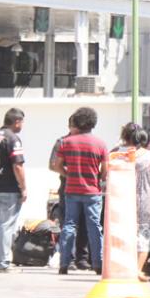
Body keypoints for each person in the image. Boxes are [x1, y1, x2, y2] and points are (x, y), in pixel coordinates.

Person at [54, 107, 108, 275]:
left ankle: (64, 264)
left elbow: (57, 165)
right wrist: (98, 178)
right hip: (92, 192)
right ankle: (98, 264)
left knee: (69, 225)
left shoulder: (66, 143)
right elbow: (105, 170)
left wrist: (68, 174)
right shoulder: (100, 144)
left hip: (71, 190)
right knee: (94, 227)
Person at [117, 122, 150, 281]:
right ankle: (136, 270)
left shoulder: (120, 155)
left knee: (126, 234)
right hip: (146, 199)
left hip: (124, 198)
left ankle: (125, 268)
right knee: (145, 235)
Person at [0, 108, 27, 273]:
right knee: (6, 226)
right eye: (22, 122)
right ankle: (1, 263)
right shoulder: (13, 139)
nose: (22, 126)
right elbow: (17, 165)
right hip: (9, 189)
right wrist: (23, 187)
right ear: (17, 122)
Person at [48, 118, 91, 270]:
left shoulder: (88, 141)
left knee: (85, 223)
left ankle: (82, 258)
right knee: (69, 223)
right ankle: (69, 258)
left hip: (86, 187)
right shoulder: (62, 142)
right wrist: (70, 174)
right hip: (68, 187)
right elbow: (53, 165)